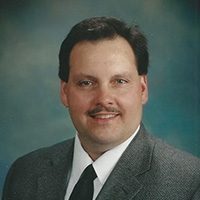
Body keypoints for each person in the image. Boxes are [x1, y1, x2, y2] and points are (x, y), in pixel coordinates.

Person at [2, 16, 200, 200]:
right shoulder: (24, 173)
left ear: (142, 89)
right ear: (65, 92)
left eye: (120, 81)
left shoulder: (190, 183)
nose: (104, 99)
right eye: (86, 83)